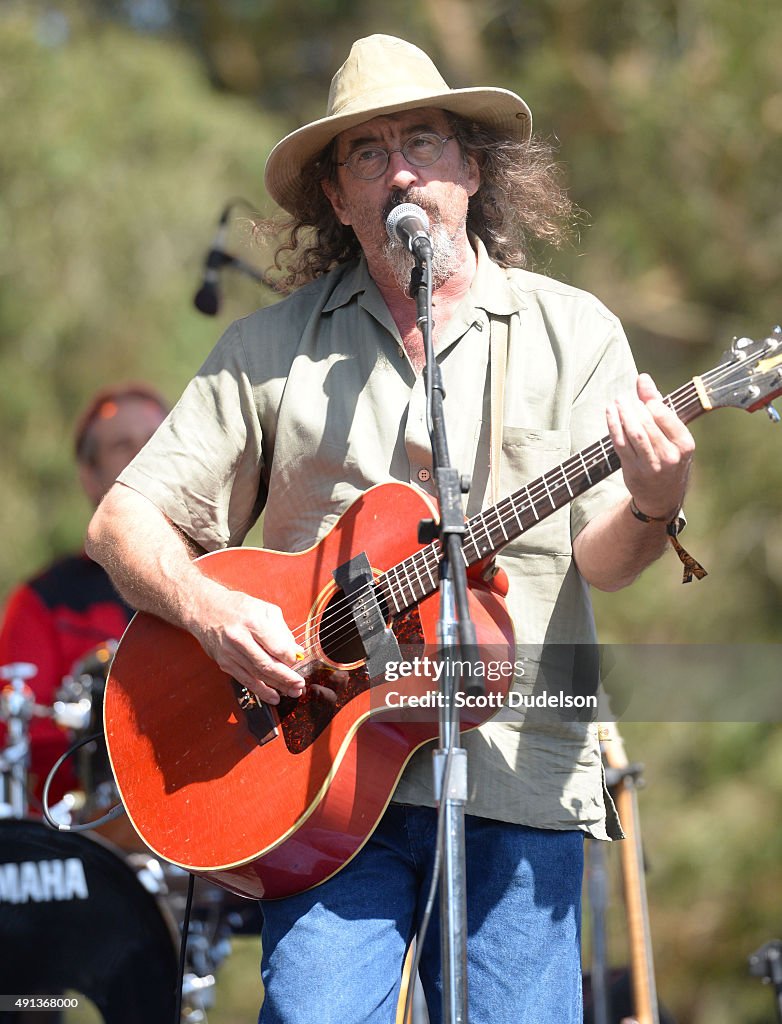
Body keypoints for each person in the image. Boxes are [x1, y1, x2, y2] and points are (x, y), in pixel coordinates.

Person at [85, 35, 695, 1024]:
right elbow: (122, 520)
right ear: (335, 195)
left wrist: (656, 497)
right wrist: (205, 609)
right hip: (308, 780)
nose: (400, 167)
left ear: (470, 167)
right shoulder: (266, 350)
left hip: (517, 774)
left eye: (421, 140)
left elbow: (605, 560)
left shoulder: (573, 332)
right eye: (366, 154)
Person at [0, 383, 169, 807]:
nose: (143, 455)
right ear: (90, 476)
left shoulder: (230, 574)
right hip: (95, 839)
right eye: (123, 445)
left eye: (156, 441)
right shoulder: (45, 601)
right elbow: (21, 737)